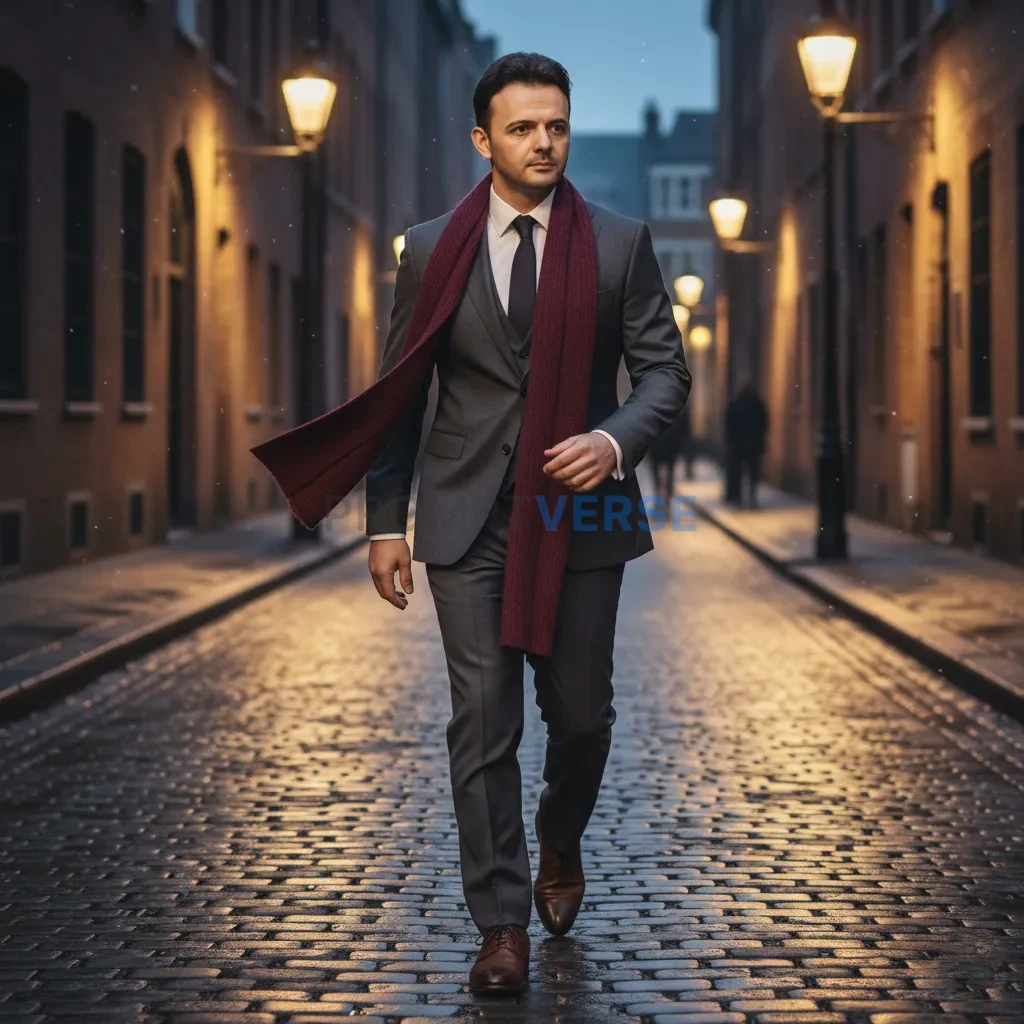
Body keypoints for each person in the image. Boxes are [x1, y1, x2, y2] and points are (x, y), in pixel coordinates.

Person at [251, 51, 691, 996]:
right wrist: (385, 521)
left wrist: (612, 441)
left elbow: (665, 372)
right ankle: (500, 926)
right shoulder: (429, 248)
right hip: (464, 518)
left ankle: (560, 835)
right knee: (482, 723)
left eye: (557, 126)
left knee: (582, 719)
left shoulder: (619, 244)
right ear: (483, 139)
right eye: (523, 128)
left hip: (578, 511)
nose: (544, 143)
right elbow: (399, 392)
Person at [724, 380, 768, 508]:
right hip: (753, 444)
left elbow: (729, 424)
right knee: (753, 474)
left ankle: (738, 498)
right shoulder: (757, 404)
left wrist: (731, 440)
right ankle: (752, 499)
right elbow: (764, 423)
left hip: (738, 445)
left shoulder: (735, 403)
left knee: (738, 473)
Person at [648, 403, 692, 505]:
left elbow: (684, 429)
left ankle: (666, 498)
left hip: (669, 446)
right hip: (658, 446)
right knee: (658, 474)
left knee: (668, 473)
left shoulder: (678, 406)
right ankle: (660, 497)